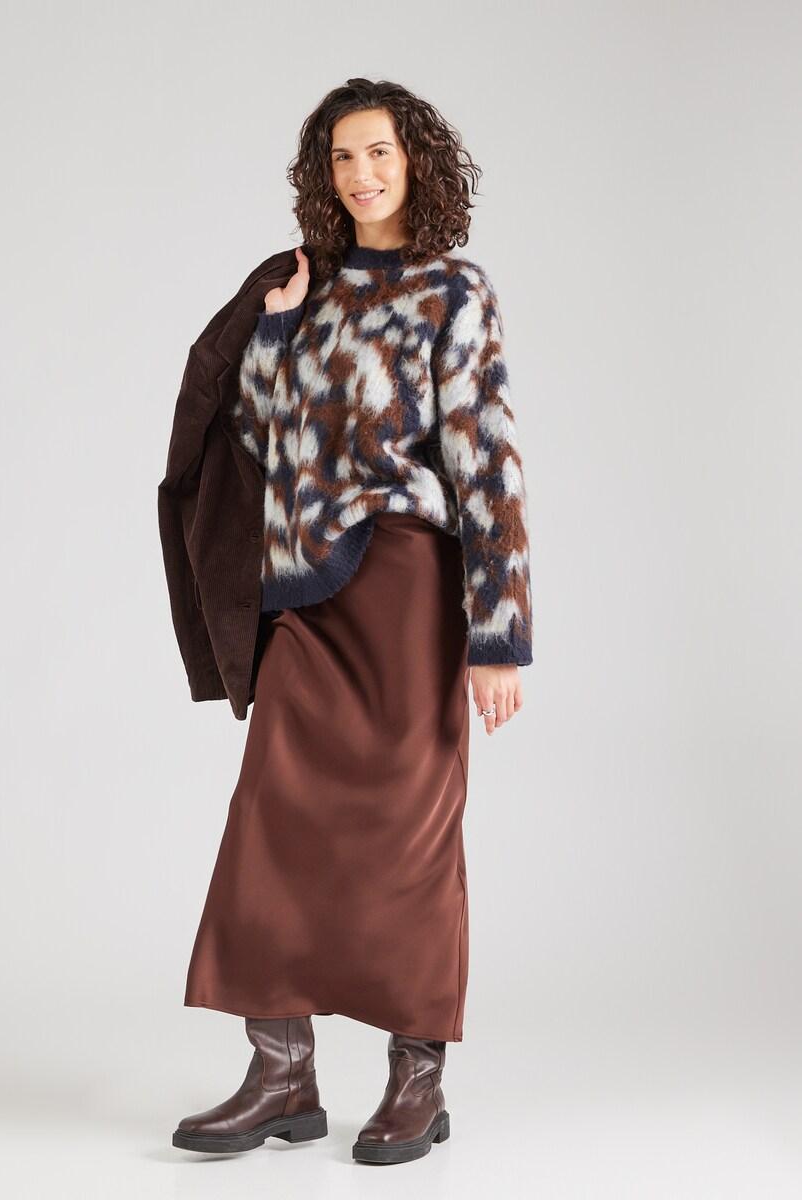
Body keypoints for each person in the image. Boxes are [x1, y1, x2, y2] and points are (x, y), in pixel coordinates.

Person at [171, 76, 533, 1166]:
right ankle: (281, 1074)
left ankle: (417, 1081)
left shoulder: (452, 291)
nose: (362, 174)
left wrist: (499, 636)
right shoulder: (309, 289)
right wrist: (278, 330)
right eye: (342, 158)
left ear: (415, 161)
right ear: (322, 176)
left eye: (379, 152)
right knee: (269, 823)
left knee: (412, 835)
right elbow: (259, 433)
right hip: (303, 595)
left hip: (409, 592)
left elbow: (487, 461)